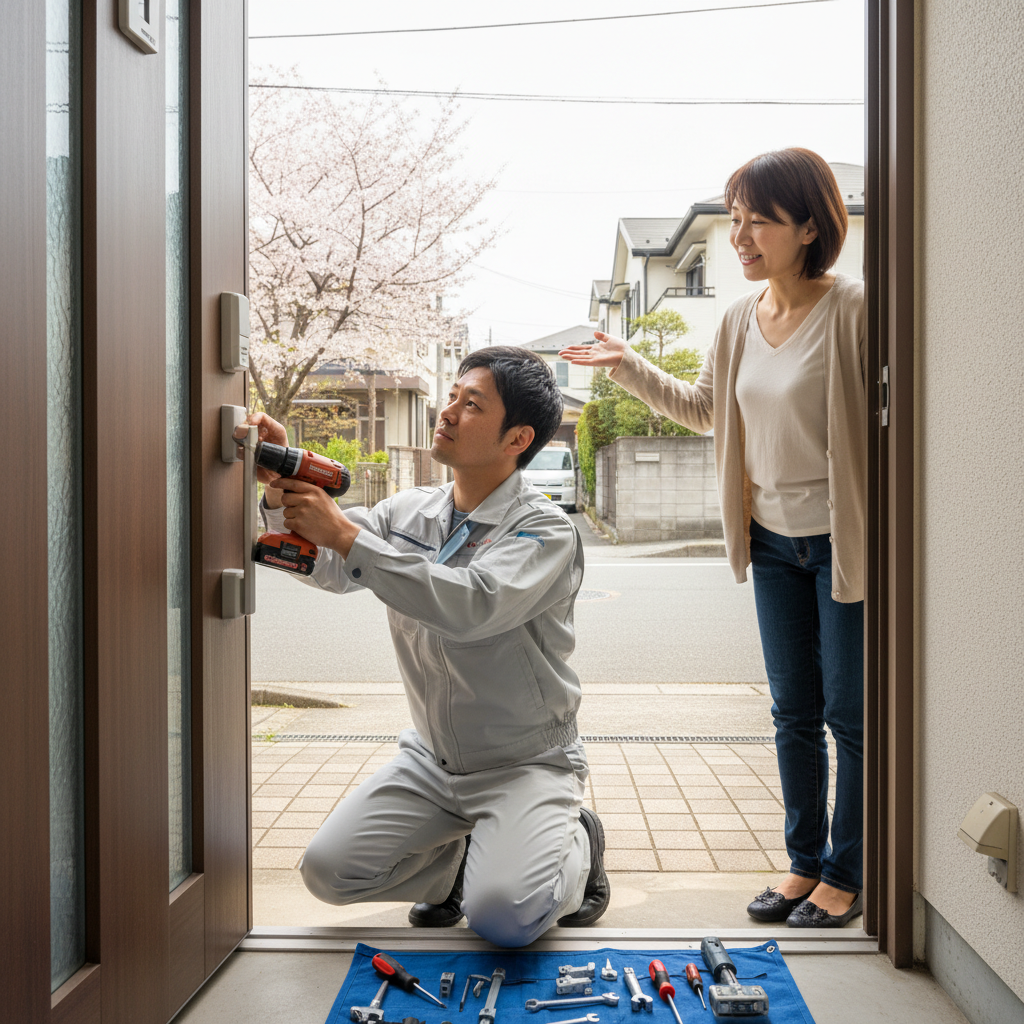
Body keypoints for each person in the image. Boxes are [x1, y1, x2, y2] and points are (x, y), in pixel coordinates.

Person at [561, 148, 865, 928]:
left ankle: (846, 871)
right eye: (735, 221)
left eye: (756, 219)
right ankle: (802, 865)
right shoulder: (738, 319)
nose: (740, 236)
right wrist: (626, 364)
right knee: (792, 711)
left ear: (807, 225)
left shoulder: (854, 310)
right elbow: (703, 410)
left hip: (842, 541)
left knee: (850, 717)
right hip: (770, 541)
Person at [240, 346, 610, 947]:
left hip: (526, 762)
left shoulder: (545, 531)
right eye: (454, 396)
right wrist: (285, 488)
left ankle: (579, 850)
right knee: (328, 872)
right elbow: (334, 566)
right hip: (432, 760)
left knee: (506, 920)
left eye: (472, 404)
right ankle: (459, 870)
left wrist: (346, 535)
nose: (449, 411)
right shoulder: (409, 510)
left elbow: (472, 605)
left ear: (517, 438)